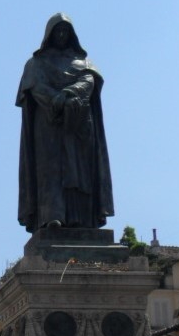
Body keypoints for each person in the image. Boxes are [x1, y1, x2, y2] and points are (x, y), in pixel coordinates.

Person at [17, 12, 113, 233]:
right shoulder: (36, 63)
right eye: (57, 31)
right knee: (51, 171)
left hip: (79, 125)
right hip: (49, 124)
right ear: (49, 35)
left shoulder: (85, 63)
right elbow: (35, 88)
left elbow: (89, 80)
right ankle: (53, 216)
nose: (61, 35)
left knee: (81, 171)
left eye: (65, 31)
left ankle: (83, 218)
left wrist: (69, 93)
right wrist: (56, 99)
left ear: (72, 35)